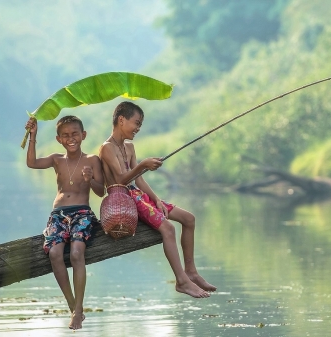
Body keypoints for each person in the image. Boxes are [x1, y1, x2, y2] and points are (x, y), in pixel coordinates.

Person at [99, 101, 216, 298]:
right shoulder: (106, 148)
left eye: (140, 125)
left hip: (139, 196)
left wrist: (156, 199)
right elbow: (120, 179)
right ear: (121, 120)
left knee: (189, 219)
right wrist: (143, 164)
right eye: (136, 123)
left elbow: (138, 179)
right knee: (168, 228)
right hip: (124, 199)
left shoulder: (129, 146)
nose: (137, 129)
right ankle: (181, 281)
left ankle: (191, 272)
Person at [25, 115, 105, 330]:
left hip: (82, 213)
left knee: (78, 253)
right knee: (54, 254)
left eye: (75, 134)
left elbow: (101, 190)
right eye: (66, 135)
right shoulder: (56, 159)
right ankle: (73, 307)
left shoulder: (92, 160)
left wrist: (91, 180)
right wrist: (33, 135)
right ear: (59, 139)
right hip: (58, 214)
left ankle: (78, 309)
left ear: (83, 135)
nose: (71, 139)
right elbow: (31, 163)